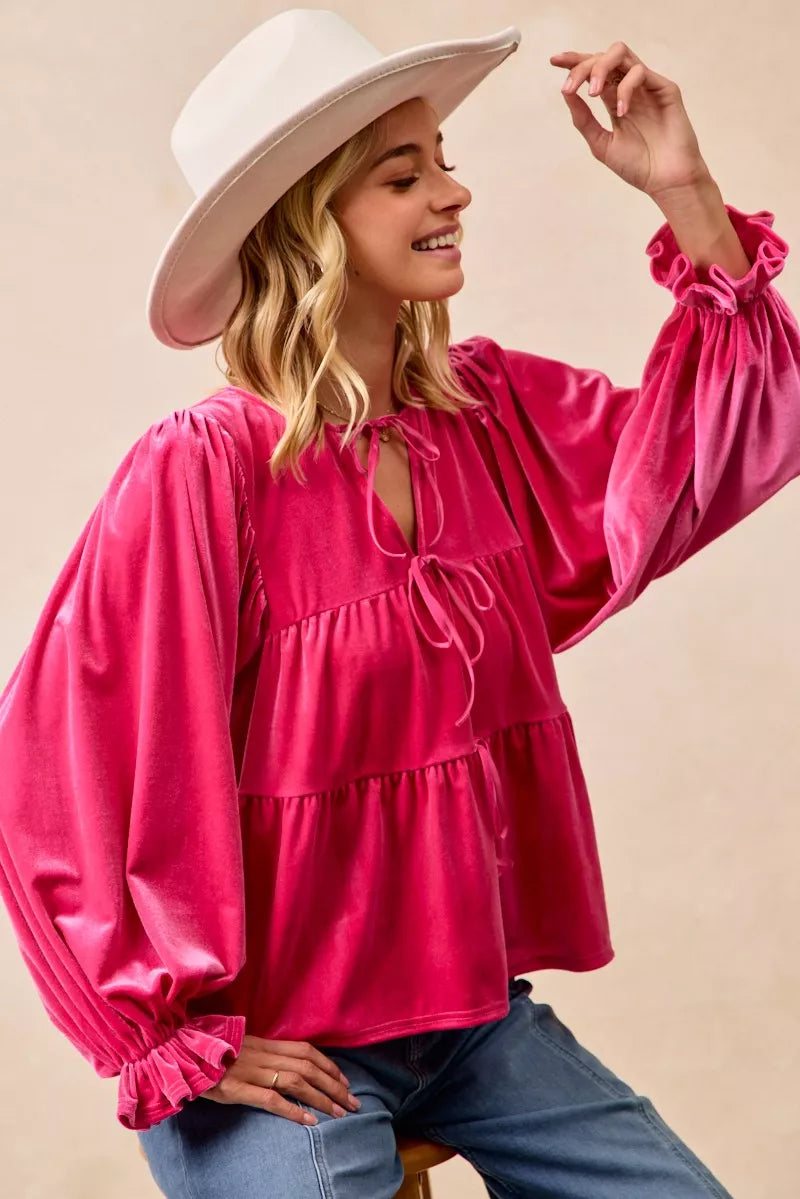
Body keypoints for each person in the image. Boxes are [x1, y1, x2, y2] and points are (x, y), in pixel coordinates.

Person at [1, 10, 797, 1197]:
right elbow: (57, 763)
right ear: (307, 221)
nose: (454, 193)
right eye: (403, 172)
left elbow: (720, 442)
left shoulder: (482, 422)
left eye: (443, 162)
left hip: (472, 1020)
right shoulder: (206, 469)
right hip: (286, 1048)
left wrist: (682, 191)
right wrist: (169, 1035)